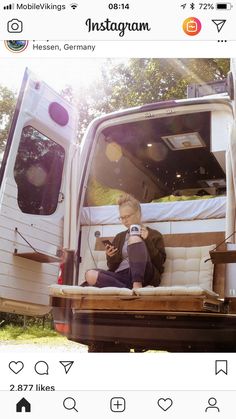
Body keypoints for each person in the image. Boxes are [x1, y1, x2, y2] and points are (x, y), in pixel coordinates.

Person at [84, 194, 166, 289]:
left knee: (134, 238)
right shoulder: (119, 237)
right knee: (90, 274)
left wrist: (147, 240)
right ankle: (126, 291)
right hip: (121, 276)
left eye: (127, 216)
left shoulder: (154, 235)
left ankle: (137, 284)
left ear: (138, 213)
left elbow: (159, 263)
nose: (125, 221)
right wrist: (111, 256)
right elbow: (112, 266)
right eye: (122, 218)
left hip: (145, 274)